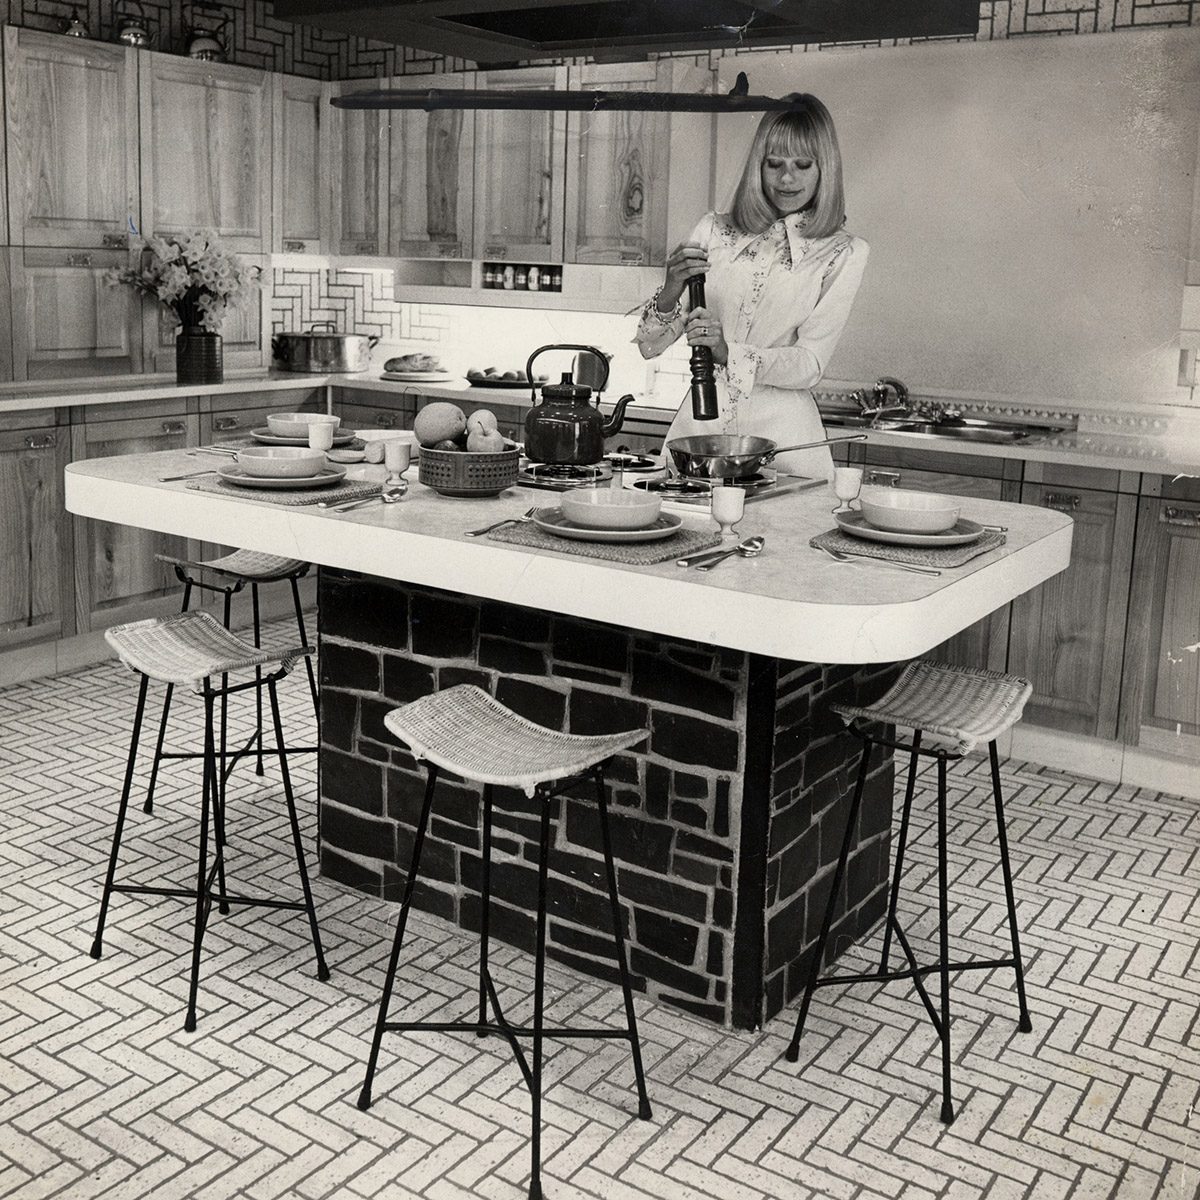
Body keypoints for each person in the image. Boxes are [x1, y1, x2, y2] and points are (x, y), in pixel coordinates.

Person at [635, 94, 868, 482]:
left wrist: (729, 352)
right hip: (700, 434)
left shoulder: (844, 252)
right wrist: (671, 289)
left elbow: (810, 364)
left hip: (783, 441)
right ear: (757, 165)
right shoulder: (713, 230)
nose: (786, 179)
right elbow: (649, 345)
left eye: (802, 165)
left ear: (825, 168)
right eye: (773, 164)